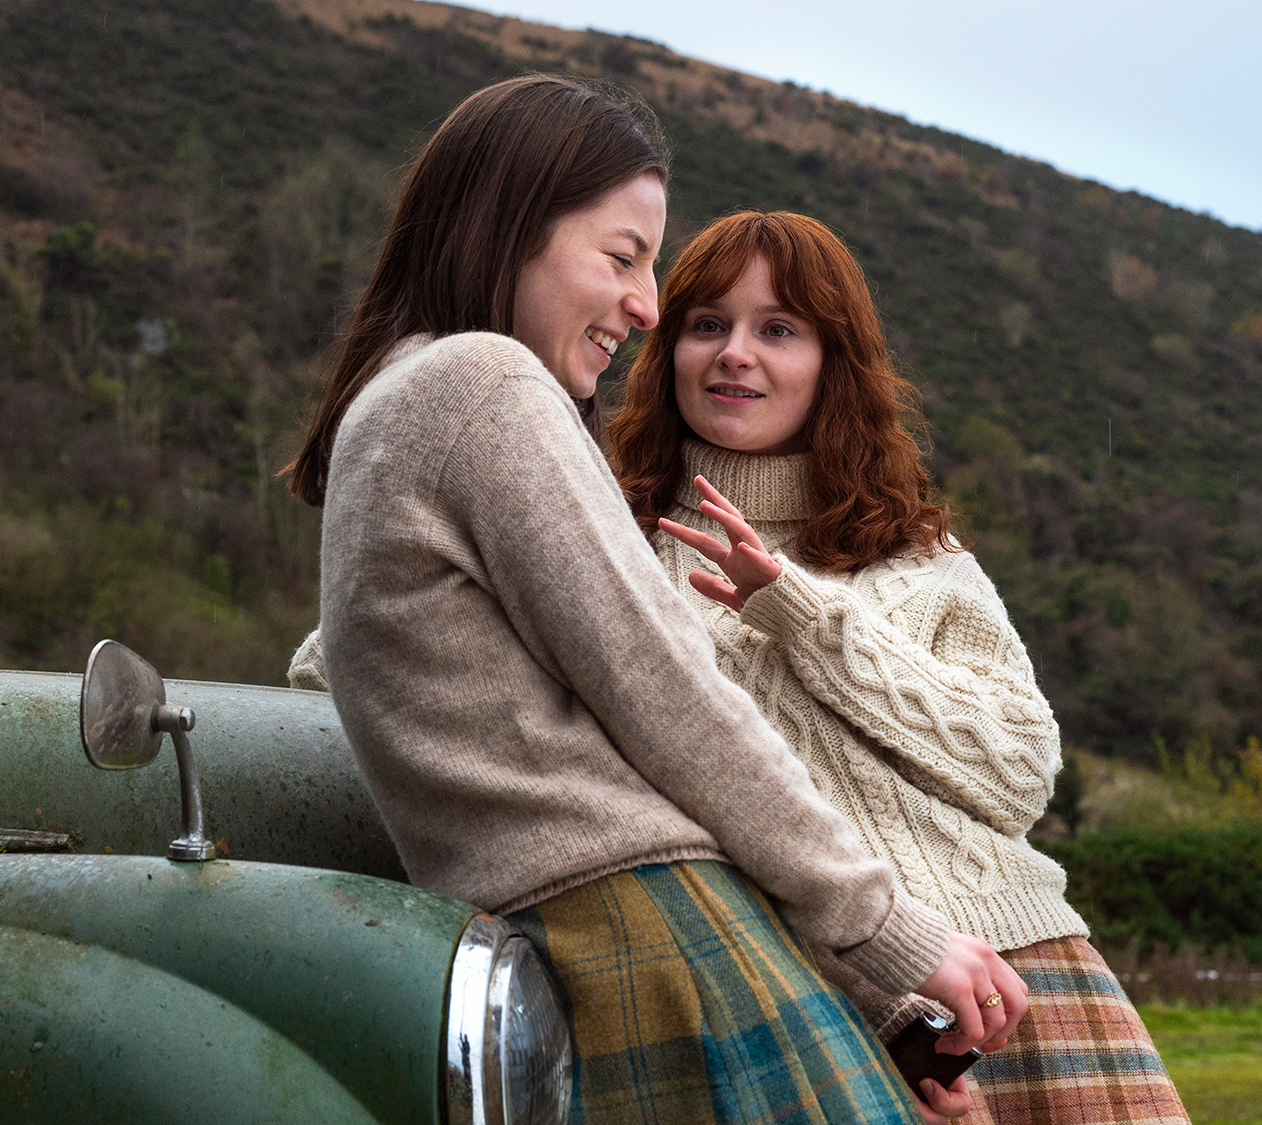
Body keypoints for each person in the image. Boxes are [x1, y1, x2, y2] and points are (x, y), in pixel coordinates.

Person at [283, 76, 1027, 1122]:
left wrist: (867, 986)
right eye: (621, 257)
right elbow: (670, 700)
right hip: (645, 933)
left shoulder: (398, 402)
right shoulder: (482, 386)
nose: (643, 305)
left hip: (582, 936)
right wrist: (889, 935)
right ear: (511, 230)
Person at [605, 209, 1191, 1124]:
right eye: (707, 324)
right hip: (794, 997)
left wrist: (800, 614)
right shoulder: (603, 534)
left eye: (779, 329)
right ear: (666, 345)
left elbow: (1019, 771)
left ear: (833, 363)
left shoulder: (913, 551)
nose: (735, 354)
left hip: (1015, 977)